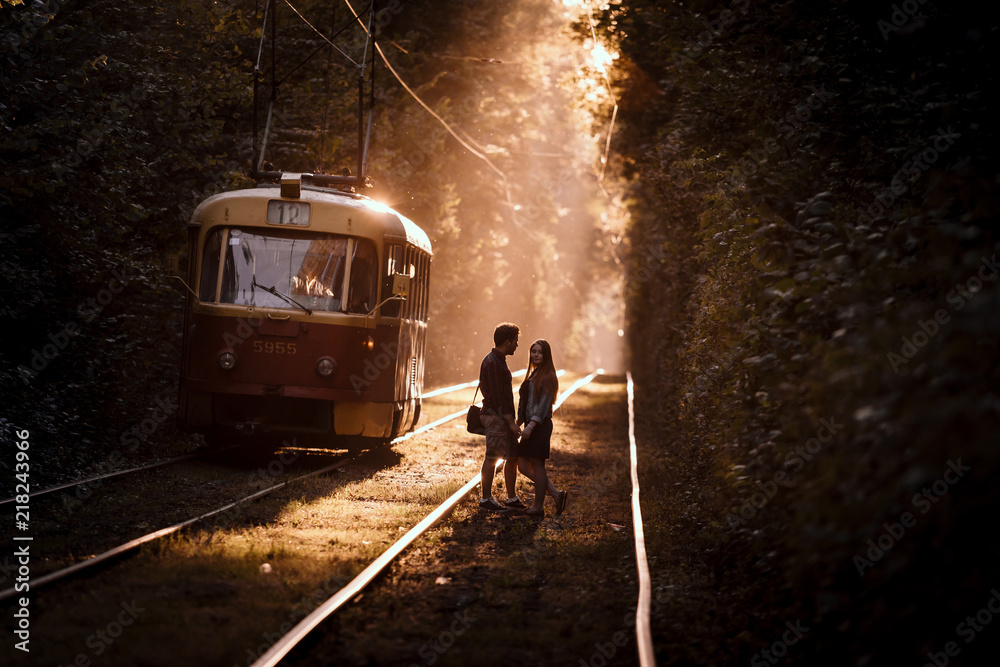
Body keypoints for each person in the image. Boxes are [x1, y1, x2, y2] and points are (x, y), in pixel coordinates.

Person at [516, 339, 568, 517]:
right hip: (529, 424)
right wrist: (519, 421)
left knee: (538, 465)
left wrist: (530, 425)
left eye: (539, 352)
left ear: (546, 355)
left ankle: (538, 507)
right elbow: (525, 402)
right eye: (533, 352)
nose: (536, 355)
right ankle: (555, 493)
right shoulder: (534, 374)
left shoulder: (548, 376)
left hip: (540, 426)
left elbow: (543, 406)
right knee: (522, 464)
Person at [478, 322, 522, 512]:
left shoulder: (497, 359)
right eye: (515, 341)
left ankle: (511, 498)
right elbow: (498, 398)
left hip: (501, 417)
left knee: (511, 457)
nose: (517, 345)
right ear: (507, 341)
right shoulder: (494, 363)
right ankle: (486, 499)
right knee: (492, 457)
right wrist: (511, 422)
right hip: (496, 417)